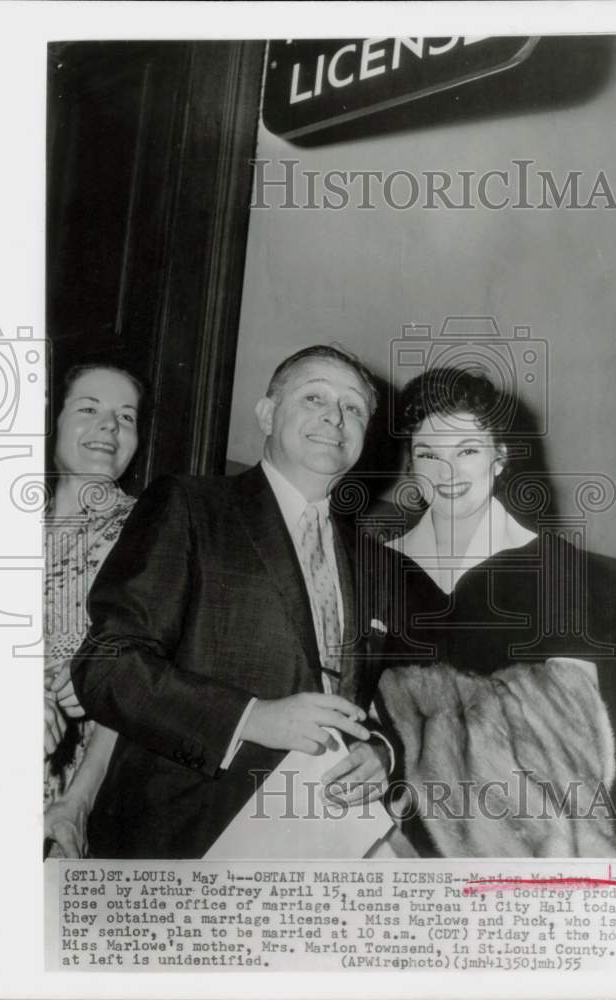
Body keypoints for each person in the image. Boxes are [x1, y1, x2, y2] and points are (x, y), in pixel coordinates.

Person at [68, 345, 393, 859]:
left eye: (353, 408)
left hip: (314, 848)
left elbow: (372, 695)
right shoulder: (190, 505)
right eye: (314, 397)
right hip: (181, 839)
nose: (334, 416)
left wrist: (379, 752)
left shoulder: (373, 559)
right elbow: (106, 668)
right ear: (266, 413)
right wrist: (249, 717)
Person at [373, 367, 616, 858]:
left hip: (524, 834)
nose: (446, 473)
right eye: (428, 454)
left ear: (500, 457)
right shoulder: (376, 564)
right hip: (389, 833)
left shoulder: (553, 565)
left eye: (466, 450)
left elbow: (580, 736)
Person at [43, 363, 144, 857]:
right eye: (89, 409)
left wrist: (76, 805)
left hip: (72, 800)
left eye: (126, 417)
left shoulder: (150, 531)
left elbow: (141, 676)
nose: (110, 425)